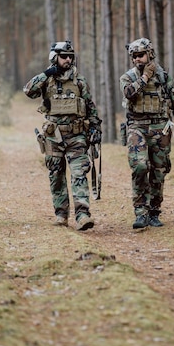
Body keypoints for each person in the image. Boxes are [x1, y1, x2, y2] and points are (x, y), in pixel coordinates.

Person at [23, 40, 101, 231]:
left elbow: (90, 106)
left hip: (76, 136)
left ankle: (82, 215)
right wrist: (45, 74)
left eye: (70, 57)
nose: (67, 60)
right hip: (53, 136)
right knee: (56, 175)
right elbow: (28, 90)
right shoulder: (47, 80)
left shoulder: (79, 81)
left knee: (79, 174)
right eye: (63, 56)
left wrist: (95, 128)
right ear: (54, 57)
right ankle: (61, 214)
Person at [120, 38, 174, 229]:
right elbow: (128, 93)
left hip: (161, 128)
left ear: (149, 54)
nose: (137, 59)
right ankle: (140, 212)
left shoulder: (163, 78)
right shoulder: (128, 77)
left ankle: (154, 211)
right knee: (140, 166)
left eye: (141, 55)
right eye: (134, 56)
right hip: (137, 127)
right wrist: (144, 78)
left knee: (159, 171)